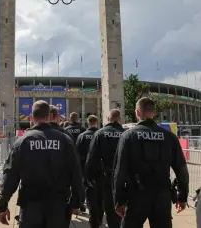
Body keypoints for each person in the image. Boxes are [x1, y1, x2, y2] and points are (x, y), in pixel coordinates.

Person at [0, 100, 82, 228]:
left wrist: (2, 205)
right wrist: (77, 201)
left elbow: (10, 175)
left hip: (31, 206)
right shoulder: (65, 140)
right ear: (49, 116)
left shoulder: (22, 142)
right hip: (58, 206)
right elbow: (76, 173)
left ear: (32, 117)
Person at [113, 97, 189, 228]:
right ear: (153, 113)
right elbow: (181, 168)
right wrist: (183, 196)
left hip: (136, 196)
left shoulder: (128, 136)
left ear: (137, 112)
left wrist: (118, 200)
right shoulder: (169, 136)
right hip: (162, 196)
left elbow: (120, 171)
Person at [86, 109, 124, 228]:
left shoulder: (99, 134)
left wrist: (89, 177)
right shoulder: (126, 133)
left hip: (106, 177)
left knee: (110, 209)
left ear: (107, 119)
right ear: (119, 119)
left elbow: (91, 157)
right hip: (124, 177)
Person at [76, 115, 103, 228]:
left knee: (91, 201)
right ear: (97, 122)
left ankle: (94, 223)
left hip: (87, 174)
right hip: (102, 173)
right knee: (100, 199)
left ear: (88, 123)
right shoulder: (102, 135)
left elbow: (77, 156)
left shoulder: (82, 136)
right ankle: (100, 219)